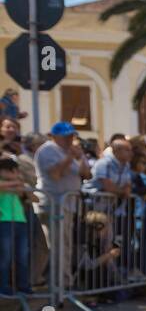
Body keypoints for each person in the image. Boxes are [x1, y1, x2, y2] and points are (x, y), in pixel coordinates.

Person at [33, 122, 92, 293]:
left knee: (65, 245)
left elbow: (86, 174)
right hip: (53, 204)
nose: (69, 139)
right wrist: (70, 158)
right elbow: (55, 174)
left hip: (68, 205)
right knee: (56, 246)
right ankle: (55, 286)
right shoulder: (47, 150)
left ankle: (65, 284)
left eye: (71, 135)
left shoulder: (71, 151)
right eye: (65, 136)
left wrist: (81, 158)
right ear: (54, 136)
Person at [0, 156, 32, 298]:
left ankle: (23, 286)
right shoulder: (7, 183)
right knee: (5, 256)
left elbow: (30, 196)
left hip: (20, 221)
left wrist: (20, 185)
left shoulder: (17, 184)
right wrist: (17, 182)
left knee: (22, 256)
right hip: (4, 221)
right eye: (12, 171)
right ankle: (4, 286)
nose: (15, 172)